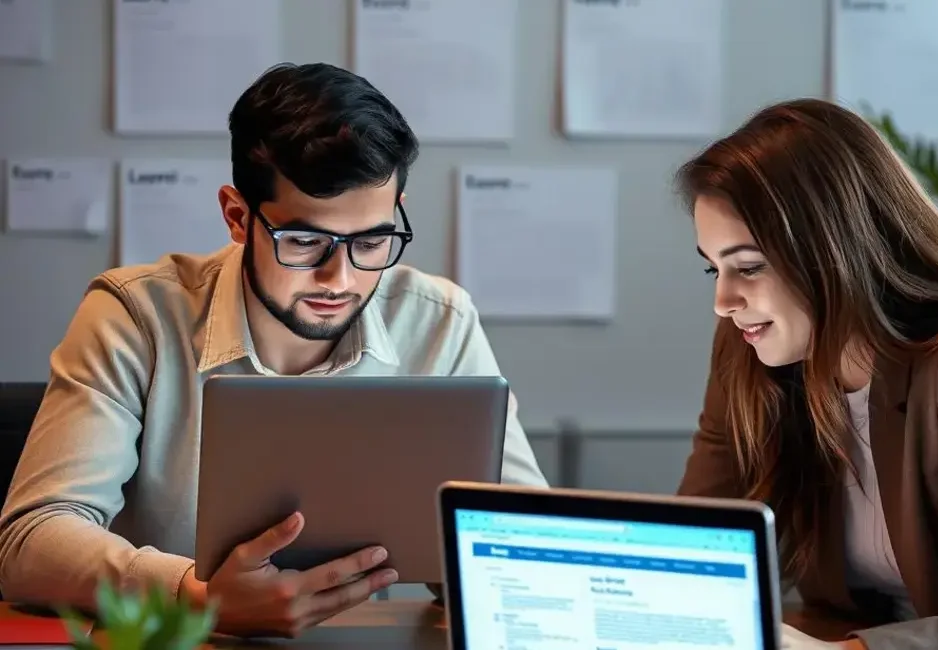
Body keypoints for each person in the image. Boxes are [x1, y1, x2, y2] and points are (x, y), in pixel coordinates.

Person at [0, 62, 548, 637]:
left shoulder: (440, 322)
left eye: (372, 241)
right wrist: (196, 596)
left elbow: (524, 549)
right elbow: (29, 541)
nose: (341, 278)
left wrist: (471, 564)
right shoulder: (134, 316)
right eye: (307, 241)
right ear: (238, 216)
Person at [674, 98, 938, 650]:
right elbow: (697, 557)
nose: (723, 301)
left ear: (833, 250)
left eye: (748, 267)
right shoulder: (748, 350)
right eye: (713, 267)